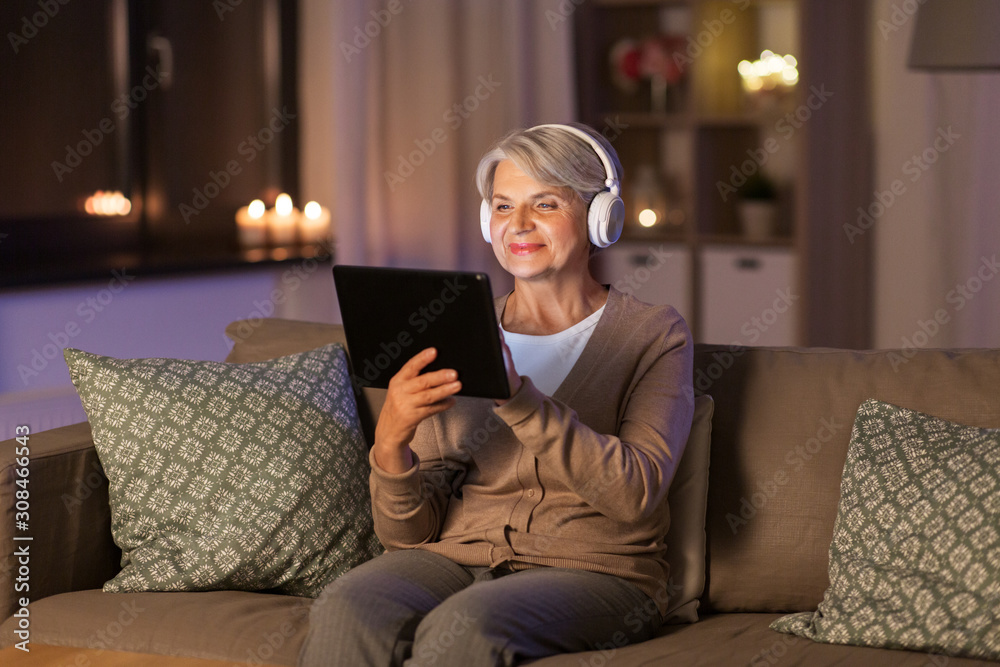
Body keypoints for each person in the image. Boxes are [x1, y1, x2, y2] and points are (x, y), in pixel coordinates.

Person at [300, 122, 694, 666]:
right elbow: (410, 538)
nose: (520, 225)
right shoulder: (456, 329)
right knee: (348, 602)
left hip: (596, 570)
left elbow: (635, 494)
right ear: (488, 221)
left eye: (546, 204)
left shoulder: (653, 334)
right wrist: (392, 446)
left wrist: (517, 397)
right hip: (458, 556)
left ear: (602, 218)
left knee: (461, 629)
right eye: (504, 206)